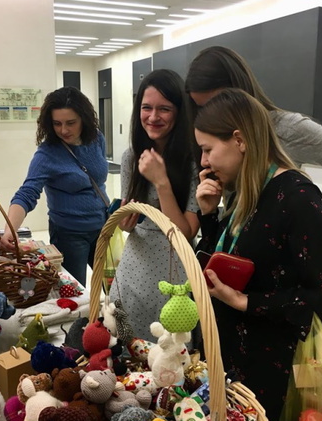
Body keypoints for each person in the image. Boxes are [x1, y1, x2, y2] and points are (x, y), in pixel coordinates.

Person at [194, 88, 322, 420]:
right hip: (231, 363)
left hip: (269, 374)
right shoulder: (246, 191)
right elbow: (218, 266)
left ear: (239, 140)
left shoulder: (299, 199)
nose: (203, 162)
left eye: (208, 149)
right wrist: (209, 216)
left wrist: (246, 301)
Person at [108, 69, 200, 342]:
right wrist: (126, 223)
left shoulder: (194, 160)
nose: (153, 116)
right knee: (125, 343)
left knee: (171, 348)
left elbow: (185, 232)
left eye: (164, 109)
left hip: (174, 270)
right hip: (134, 268)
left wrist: (161, 182)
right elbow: (131, 218)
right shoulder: (131, 157)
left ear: (179, 112)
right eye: (146, 107)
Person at [185, 45, 322, 208]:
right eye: (201, 108)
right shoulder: (214, 143)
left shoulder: (288, 128)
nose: (209, 114)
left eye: (216, 103)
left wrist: (316, 208)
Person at [0, 86, 108, 286]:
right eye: (57, 123)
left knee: (114, 285)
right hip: (70, 234)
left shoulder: (96, 139)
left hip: (104, 227)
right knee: (74, 291)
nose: (63, 130)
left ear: (84, 119)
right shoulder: (47, 154)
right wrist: (10, 230)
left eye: (71, 123)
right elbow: (27, 193)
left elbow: (98, 180)